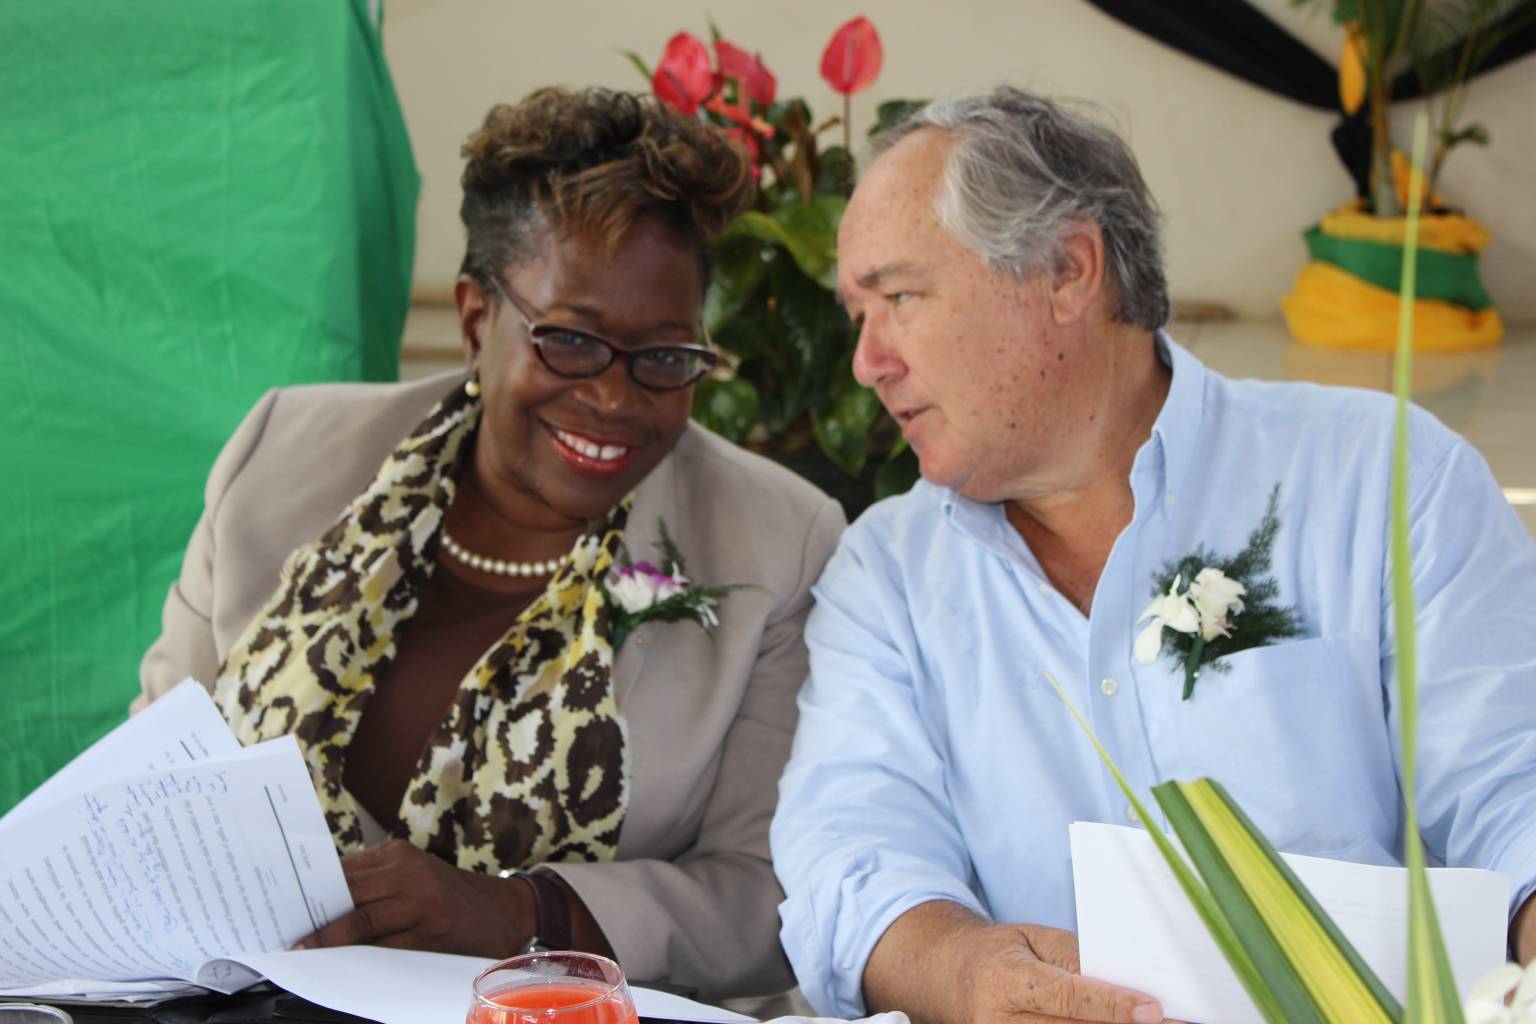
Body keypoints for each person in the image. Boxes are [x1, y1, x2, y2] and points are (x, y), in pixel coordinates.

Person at [770, 86, 1536, 1023]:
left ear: (1067, 271)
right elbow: (851, 858)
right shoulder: (884, 576)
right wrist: (964, 972)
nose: (866, 359)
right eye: (856, 315)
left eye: (897, 297)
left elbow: (1517, 784)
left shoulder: (1383, 481)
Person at [137, 86, 845, 1002]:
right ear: (477, 320)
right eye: (571, 343)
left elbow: (766, 898)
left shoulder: (777, 543)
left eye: (666, 358)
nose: (615, 400)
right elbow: (151, 777)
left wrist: (517, 917)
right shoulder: (282, 455)